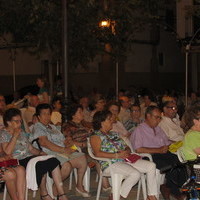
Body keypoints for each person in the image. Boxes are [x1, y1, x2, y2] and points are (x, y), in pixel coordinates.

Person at [0, 108, 68, 200]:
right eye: (16, 121)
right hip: (17, 160)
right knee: (41, 165)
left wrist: (40, 152)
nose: (20, 124)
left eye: (20, 121)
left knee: (52, 160)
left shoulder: (22, 132)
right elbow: (7, 152)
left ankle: (61, 194)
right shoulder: (4, 134)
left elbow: (30, 148)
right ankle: (44, 194)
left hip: (28, 157)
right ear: (8, 122)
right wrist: (15, 136)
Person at [91, 110, 158, 200]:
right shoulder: (95, 136)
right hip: (110, 163)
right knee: (135, 174)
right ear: (101, 122)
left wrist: (126, 151)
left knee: (151, 166)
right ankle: (117, 196)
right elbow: (97, 153)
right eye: (109, 119)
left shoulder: (114, 134)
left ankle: (151, 195)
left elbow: (127, 147)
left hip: (125, 160)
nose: (112, 121)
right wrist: (117, 155)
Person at [32, 103, 90, 197]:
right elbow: (44, 143)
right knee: (66, 166)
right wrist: (63, 149)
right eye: (44, 114)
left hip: (61, 151)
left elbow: (63, 140)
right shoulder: (38, 127)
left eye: (48, 113)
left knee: (82, 158)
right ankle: (56, 190)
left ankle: (79, 186)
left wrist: (68, 143)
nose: (47, 116)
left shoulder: (53, 127)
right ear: (38, 116)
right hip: (49, 153)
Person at [131, 106, 186, 200]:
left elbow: (167, 141)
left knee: (181, 162)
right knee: (170, 166)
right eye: (156, 117)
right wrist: (159, 150)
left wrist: (177, 144)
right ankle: (174, 192)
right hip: (149, 155)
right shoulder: (139, 130)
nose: (158, 120)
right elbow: (138, 149)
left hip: (162, 152)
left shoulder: (158, 129)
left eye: (159, 117)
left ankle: (174, 188)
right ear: (148, 116)